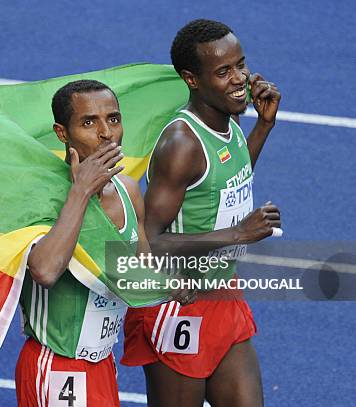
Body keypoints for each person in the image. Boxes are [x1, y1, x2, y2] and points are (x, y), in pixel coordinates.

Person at [121, 19, 282, 406]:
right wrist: (238, 234)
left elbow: (226, 178)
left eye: (240, 65)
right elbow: (148, 241)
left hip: (223, 294)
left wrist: (263, 126)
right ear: (192, 80)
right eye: (223, 71)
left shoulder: (227, 123)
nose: (239, 79)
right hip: (178, 302)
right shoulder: (181, 144)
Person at [15, 79, 151, 407]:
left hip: (102, 363)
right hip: (57, 367)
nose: (106, 133)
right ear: (62, 133)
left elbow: (142, 271)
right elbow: (45, 271)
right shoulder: (42, 199)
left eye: (113, 119)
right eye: (89, 122)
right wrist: (81, 191)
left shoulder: (128, 191)